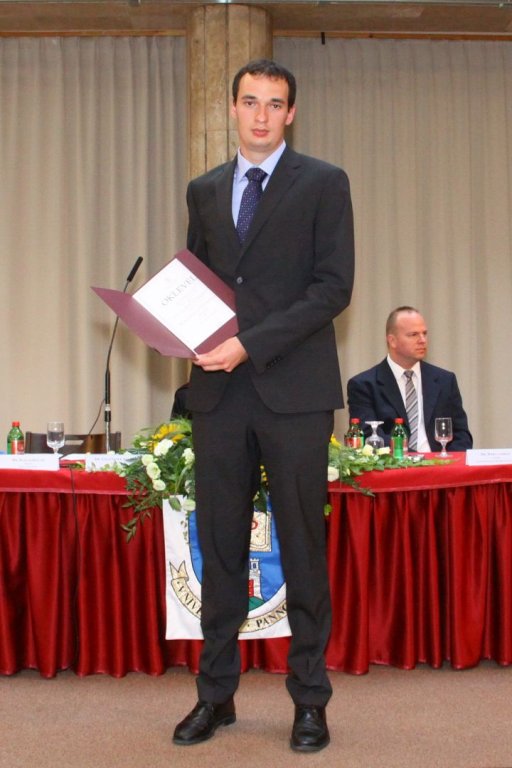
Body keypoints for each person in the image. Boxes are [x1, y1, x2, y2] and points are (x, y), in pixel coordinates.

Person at [172, 59, 354, 753]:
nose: (260, 115)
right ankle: (215, 696)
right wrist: (176, 327)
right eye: (250, 102)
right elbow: (197, 281)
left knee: (303, 547)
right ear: (232, 108)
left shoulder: (325, 183)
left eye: (274, 104)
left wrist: (248, 344)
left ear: (291, 113)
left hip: (295, 394)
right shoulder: (204, 189)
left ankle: (310, 701)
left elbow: (333, 287)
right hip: (219, 396)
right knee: (220, 548)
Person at [347, 306, 472, 451]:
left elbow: (461, 435)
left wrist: (446, 462)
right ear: (392, 341)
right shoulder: (364, 385)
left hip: (440, 462)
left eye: (424, 333)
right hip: (396, 463)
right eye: (413, 335)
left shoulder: (445, 380)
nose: (422, 340)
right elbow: (369, 436)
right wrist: (417, 460)